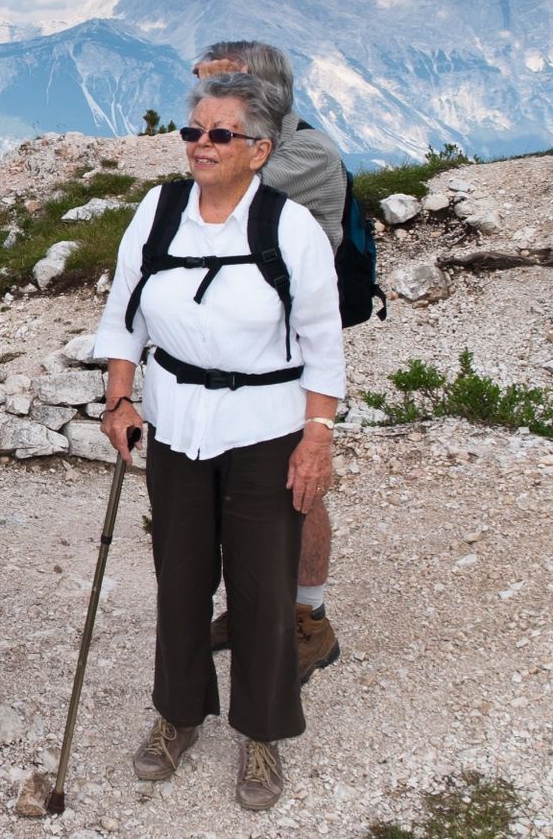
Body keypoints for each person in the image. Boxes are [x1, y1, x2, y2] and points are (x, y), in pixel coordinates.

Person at [95, 72, 344, 811]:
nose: (200, 145)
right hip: (176, 423)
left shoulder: (288, 227)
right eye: (193, 131)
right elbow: (124, 311)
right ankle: (177, 715)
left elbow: (324, 345)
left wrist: (317, 435)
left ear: (260, 149)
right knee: (180, 574)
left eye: (219, 134)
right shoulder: (158, 209)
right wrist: (118, 393)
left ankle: (262, 734)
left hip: (264, 429)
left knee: (265, 587)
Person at [192, 41, 346, 681]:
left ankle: (308, 621)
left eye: (229, 88)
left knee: (298, 488)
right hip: (242, 355)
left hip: (293, 360)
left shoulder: (305, 155)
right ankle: (257, 606)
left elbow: (217, 195)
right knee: (245, 491)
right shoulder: (266, 146)